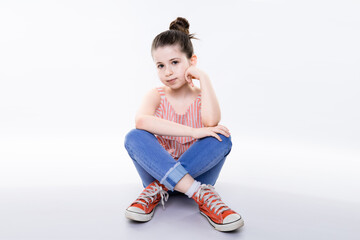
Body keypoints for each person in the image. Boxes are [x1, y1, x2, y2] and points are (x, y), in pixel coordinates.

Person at [124, 17, 244, 232]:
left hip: (197, 172)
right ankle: (200, 194)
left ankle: (161, 187)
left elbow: (211, 123)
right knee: (134, 136)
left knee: (222, 137)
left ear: (192, 61)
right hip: (157, 169)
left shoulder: (201, 96)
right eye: (160, 65)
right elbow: (141, 121)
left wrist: (204, 79)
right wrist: (192, 131)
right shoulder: (156, 95)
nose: (167, 72)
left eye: (175, 62)